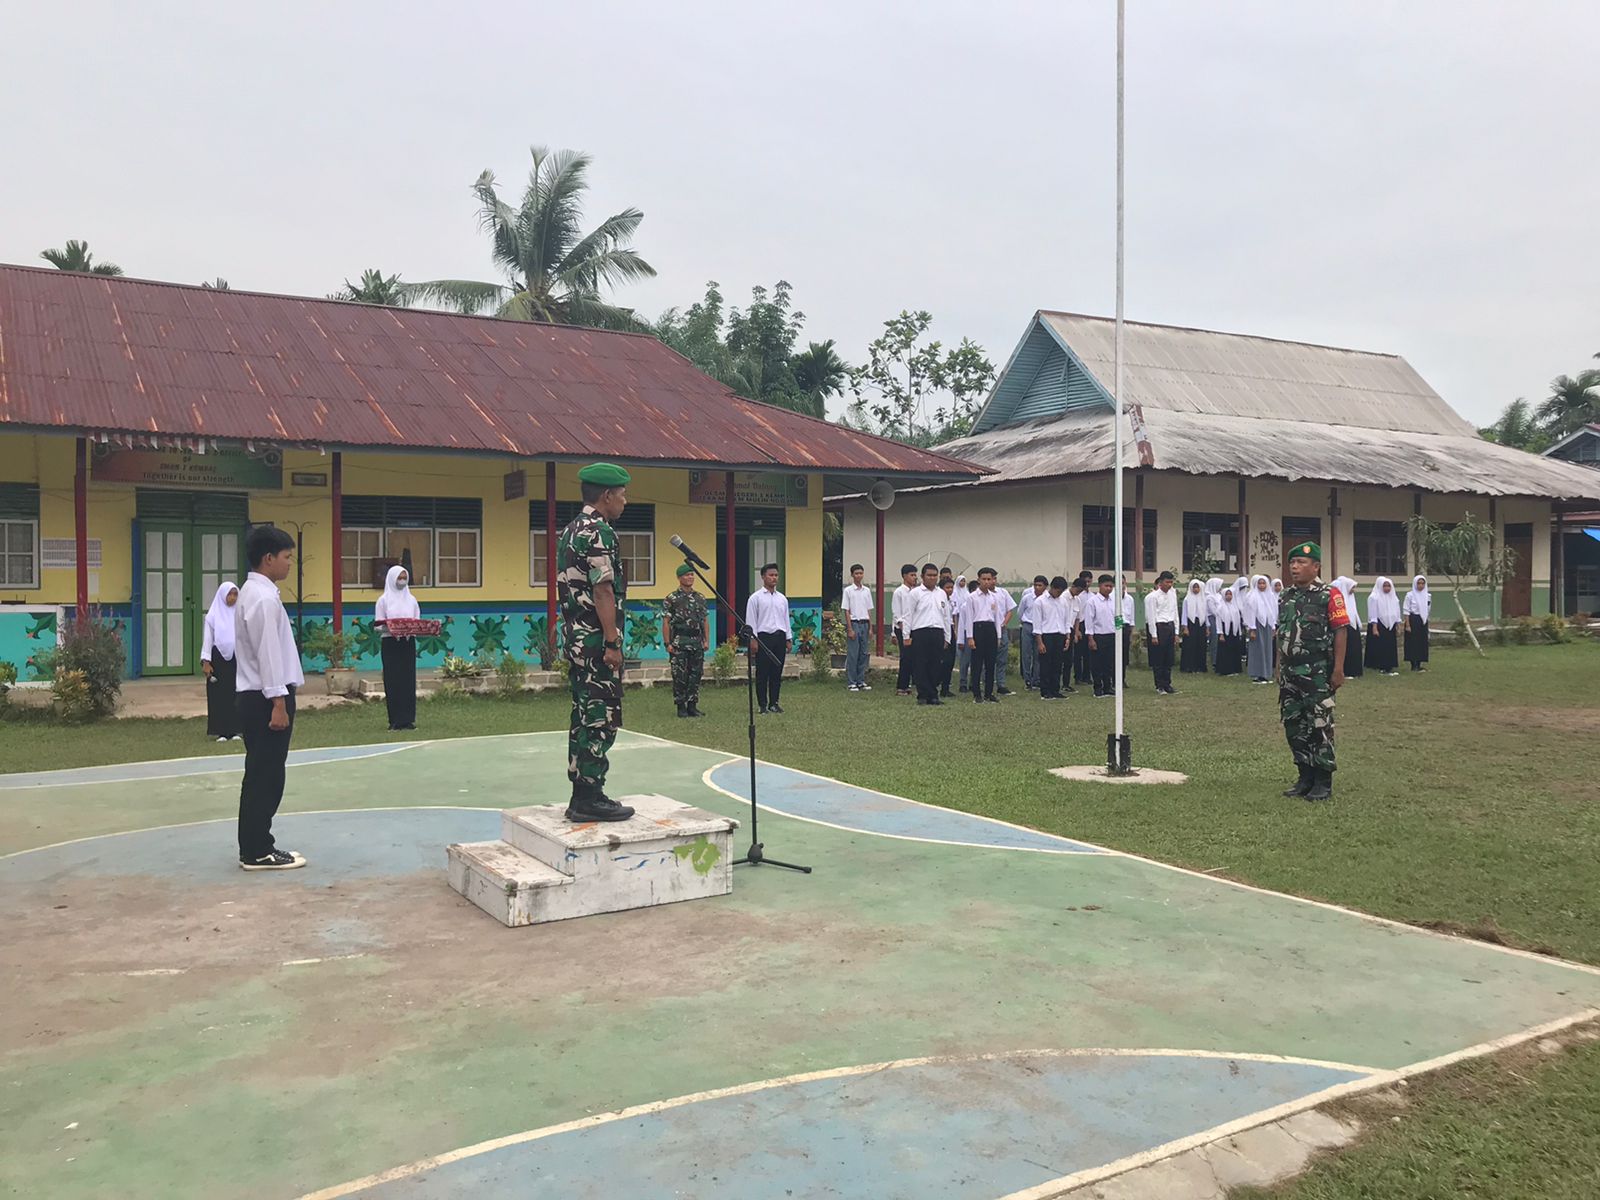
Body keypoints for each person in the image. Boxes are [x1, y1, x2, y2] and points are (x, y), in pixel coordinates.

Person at [556, 463, 635, 822]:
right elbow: (603, 589)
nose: (625, 501)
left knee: (583, 714)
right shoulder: (599, 532)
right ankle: (591, 796)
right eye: (621, 494)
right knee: (600, 715)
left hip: (576, 640)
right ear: (606, 496)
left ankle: (581, 793)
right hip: (595, 642)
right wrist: (612, 641)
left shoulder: (571, 530)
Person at [234, 526, 306, 870]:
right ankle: (258, 849)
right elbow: (268, 654)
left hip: (258, 695)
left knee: (262, 773)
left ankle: (255, 844)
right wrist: (278, 701)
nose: (290, 564)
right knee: (266, 775)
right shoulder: (262, 598)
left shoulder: (256, 593)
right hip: (266, 698)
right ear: (268, 558)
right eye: (287, 557)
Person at [1276, 541, 1350, 801]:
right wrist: (1278, 666)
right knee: (1294, 726)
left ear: (1316, 566)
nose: (1295, 568)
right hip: (1289, 674)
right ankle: (1304, 776)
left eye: (1301, 563)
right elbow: (1282, 633)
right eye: (1292, 563)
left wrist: (1339, 669)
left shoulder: (1330, 595)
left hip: (1318, 672)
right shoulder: (1285, 595)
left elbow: (1341, 631)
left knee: (1320, 724)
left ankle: (1323, 780)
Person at [373, 564, 420, 731]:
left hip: (407, 643)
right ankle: (395, 720)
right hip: (391, 643)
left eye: (404, 577)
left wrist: (409, 629)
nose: (402, 581)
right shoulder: (383, 600)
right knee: (393, 680)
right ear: (392, 579)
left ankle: (408, 720)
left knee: (408, 680)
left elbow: (417, 622)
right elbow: (378, 626)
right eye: (399, 577)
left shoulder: (412, 600)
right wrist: (392, 628)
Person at [662, 563, 709, 718]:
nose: (690, 577)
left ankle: (692, 706)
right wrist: (667, 643)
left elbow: (704, 621)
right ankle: (681, 706)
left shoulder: (700, 598)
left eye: (692, 575)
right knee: (680, 676)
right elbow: (666, 623)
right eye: (687, 575)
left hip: (696, 641)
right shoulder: (672, 598)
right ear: (679, 578)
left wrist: (706, 640)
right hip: (679, 641)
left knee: (695, 675)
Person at [745, 562, 792, 714]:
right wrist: (753, 639)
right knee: (762, 673)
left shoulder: (782, 599)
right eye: (771, 575)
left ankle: (774, 702)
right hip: (763, 637)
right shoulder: (755, 598)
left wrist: (788, 638)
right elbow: (751, 620)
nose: (774, 578)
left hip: (779, 636)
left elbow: (786, 619)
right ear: (763, 577)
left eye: (776, 575)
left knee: (776, 672)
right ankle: (762, 705)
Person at [200, 581, 241, 741]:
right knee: (219, 695)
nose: (232, 598)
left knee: (236, 694)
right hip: (218, 660)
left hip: (237, 658)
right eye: (229, 594)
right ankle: (221, 731)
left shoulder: (240, 613)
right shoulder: (213, 616)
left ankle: (236, 730)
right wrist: (206, 661)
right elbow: (208, 640)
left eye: (235, 594)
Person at [906, 562, 951, 705]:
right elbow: (908, 615)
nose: (932, 578)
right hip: (920, 632)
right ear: (922, 577)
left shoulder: (941, 593)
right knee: (920, 664)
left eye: (934, 576)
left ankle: (933, 695)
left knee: (935, 664)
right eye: (929, 575)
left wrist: (947, 637)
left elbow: (946, 616)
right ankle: (923, 695)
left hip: (937, 632)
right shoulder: (915, 593)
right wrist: (906, 636)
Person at [961, 567, 1007, 703]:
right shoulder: (972, 597)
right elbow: (969, 618)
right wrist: (970, 637)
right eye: (984, 579)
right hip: (978, 628)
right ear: (979, 580)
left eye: (989, 579)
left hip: (990, 629)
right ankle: (977, 693)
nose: (987, 582)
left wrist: (998, 636)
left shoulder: (994, 597)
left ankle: (989, 693)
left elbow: (998, 618)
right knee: (977, 663)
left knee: (990, 663)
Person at [1034, 577, 1071, 699]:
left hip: (1059, 635)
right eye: (1058, 591)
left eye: (1061, 592)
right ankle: (1045, 691)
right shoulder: (1040, 601)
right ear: (1052, 587)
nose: (1059, 594)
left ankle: (1055, 689)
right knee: (1046, 665)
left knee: (1057, 664)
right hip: (1046, 635)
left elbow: (1066, 620)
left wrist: (1067, 637)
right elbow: (1037, 624)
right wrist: (1040, 642)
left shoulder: (1063, 601)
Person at [1144, 571, 1179, 695]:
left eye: (1171, 582)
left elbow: (1175, 613)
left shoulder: (1172, 594)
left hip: (1169, 625)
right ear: (1160, 582)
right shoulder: (1152, 597)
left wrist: (1176, 632)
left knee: (1168, 658)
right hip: (1159, 627)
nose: (1169, 585)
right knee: (1158, 659)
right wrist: (1153, 635)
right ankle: (1159, 685)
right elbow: (1151, 616)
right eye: (1167, 582)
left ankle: (1167, 684)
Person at [841, 563, 874, 692]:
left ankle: (861, 680)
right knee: (853, 654)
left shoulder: (866, 591)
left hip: (865, 624)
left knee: (863, 654)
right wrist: (849, 629)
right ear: (852, 575)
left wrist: (871, 628)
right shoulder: (848, 591)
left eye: (861, 573)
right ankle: (852, 681)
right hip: (854, 623)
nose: (859, 575)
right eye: (856, 573)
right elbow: (846, 611)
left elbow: (869, 610)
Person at [1083, 574, 1118, 697]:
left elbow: (1118, 618)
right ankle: (1098, 688)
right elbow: (1089, 622)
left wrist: (1119, 632)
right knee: (1097, 664)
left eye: (1111, 586)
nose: (1108, 588)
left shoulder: (1115, 601)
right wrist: (1091, 639)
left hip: (1111, 635)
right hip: (1098, 636)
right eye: (1106, 586)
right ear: (1099, 586)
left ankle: (1108, 687)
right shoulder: (1092, 601)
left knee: (1109, 664)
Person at [1364, 576, 1401, 675]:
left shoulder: (1394, 597)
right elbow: (1373, 613)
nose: (1387, 588)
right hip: (1379, 624)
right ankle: (1380, 665)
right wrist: (1374, 627)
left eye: (1389, 586)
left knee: (1390, 645)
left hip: (1391, 624)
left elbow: (1397, 612)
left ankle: (1390, 664)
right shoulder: (1374, 597)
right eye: (1385, 586)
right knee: (1380, 646)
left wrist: (1398, 625)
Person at [891, 564, 918, 695]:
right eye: (912, 575)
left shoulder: (914, 592)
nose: (914, 578)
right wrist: (903, 629)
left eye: (915, 575)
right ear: (904, 576)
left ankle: (908, 684)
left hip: (913, 627)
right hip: (902, 628)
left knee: (912, 658)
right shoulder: (899, 592)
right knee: (905, 657)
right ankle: (901, 686)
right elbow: (897, 614)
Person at [1245, 574, 1277, 684]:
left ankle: (1265, 674)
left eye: (1264, 583)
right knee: (1258, 649)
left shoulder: (1270, 596)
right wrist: (1252, 628)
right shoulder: (1252, 596)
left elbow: (1272, 612)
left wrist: (1273, 626)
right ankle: (1257, 675)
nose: (1262, 585)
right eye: (1260, 583)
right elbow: (1250, 613)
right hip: (1257, 625)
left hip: (1267, 625)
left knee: (1267, 649)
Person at [1017, 575, 1047, 689]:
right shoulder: (1027, 597)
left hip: (1040, 628)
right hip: (1028, 625)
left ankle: (1036, 679)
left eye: (1040, 585)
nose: (1037, 588)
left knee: (1038, 654)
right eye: (1035, 585)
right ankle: (1027, 679)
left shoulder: (1046, 599)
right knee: (1026, 654)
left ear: (1045, 587)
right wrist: (1024, 623)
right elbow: (1020, 612)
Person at [1332, 575, 1364, 679]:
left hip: (1353, 626)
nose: (1353, 590)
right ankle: (1346, 670)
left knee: (1355, 648)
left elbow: (1354, 611)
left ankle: (1355, 670)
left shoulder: (1350, 597)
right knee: (1346, 649)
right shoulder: (1340, 599)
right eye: (1352, 587)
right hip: (1344, 626)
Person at [1213, 584, 1246, 677]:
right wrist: (1220, 633)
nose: (1229, 596)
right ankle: (1225, 670)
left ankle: (1235, 668)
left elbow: (1238, 620)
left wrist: (1239, 632)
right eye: (1227, 594)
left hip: (1234, 630)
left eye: (1230, 594)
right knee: (1225, 651)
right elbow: (1218, 621)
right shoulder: (1220, 607)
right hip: (1224, 630)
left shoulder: (1235, 606)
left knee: (1234, 649)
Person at [1180, 579, 1210, 674]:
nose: (1196, 589)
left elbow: (1205, 614)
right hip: (1190, 624)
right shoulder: (1187, 599)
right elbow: (1184, 614)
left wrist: (1207, 627)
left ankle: (1200, 667)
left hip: (1201, 624)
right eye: (1194, 587)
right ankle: (1189, 666)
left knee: (1201, 645)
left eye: (1197, 587)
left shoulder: (1203, 599)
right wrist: (1185, 627)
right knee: (1190, 645)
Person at [1068, 575, 1093, 686]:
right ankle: (1077, 677)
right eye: (1085, 581)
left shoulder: (1093, 596)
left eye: (1089, 581)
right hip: (1079, 625)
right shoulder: (1077, 596)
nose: (1087, 583)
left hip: (1090, 624)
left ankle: (1087, 676)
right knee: (1078, 653)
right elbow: (1077, 615)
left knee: (1089, 653)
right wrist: (1077, 630)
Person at [1403, 575, 1431, 671]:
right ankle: (1413, 664)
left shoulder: (1428, 596)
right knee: (1412, 642)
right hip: (1413, 620)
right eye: (1419, 583)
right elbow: (1406, 610)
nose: (1421, 585)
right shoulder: (1410, 595)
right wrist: (1407, 624)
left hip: (1423, 620)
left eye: (1423, 583)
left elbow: (1428, 609)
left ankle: (1419, 663)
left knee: (1421, 642)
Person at [938, 577, 959, 697]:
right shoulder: (939, 601)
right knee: (943, 660)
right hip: (941, 629)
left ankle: (945, 688)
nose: (950, 590)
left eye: (951, 587)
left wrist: (954, 631)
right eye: (947, 587)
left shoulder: (951, 601)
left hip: (950, 629)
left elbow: (953, 617)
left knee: (950, 660)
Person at [1204, 577, 1225, 669]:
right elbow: (1213, 611)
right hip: (1213, 619)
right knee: (1215, 639)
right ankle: (1214, 660)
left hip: (1221, 618)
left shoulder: (1219, 595)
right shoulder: (1209, 597)